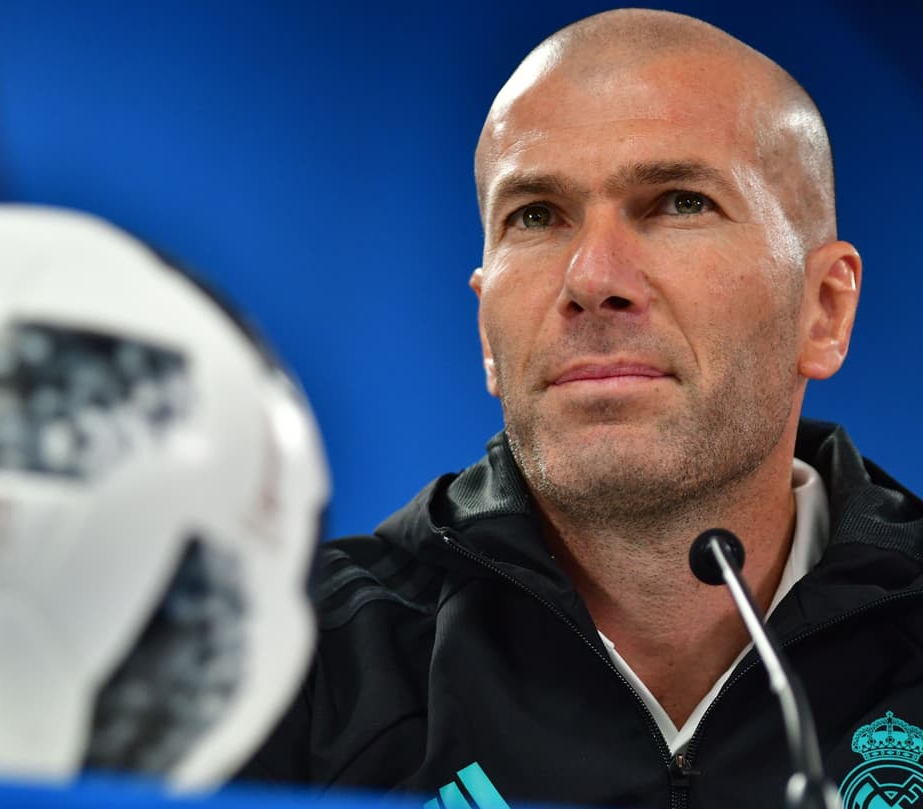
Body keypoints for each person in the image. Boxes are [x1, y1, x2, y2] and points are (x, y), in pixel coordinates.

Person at [239, 8, 923, 809]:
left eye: (678, 202)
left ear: (824, 310)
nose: (593, 276)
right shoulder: (285, 659)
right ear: (487, 329)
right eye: (535, 215)